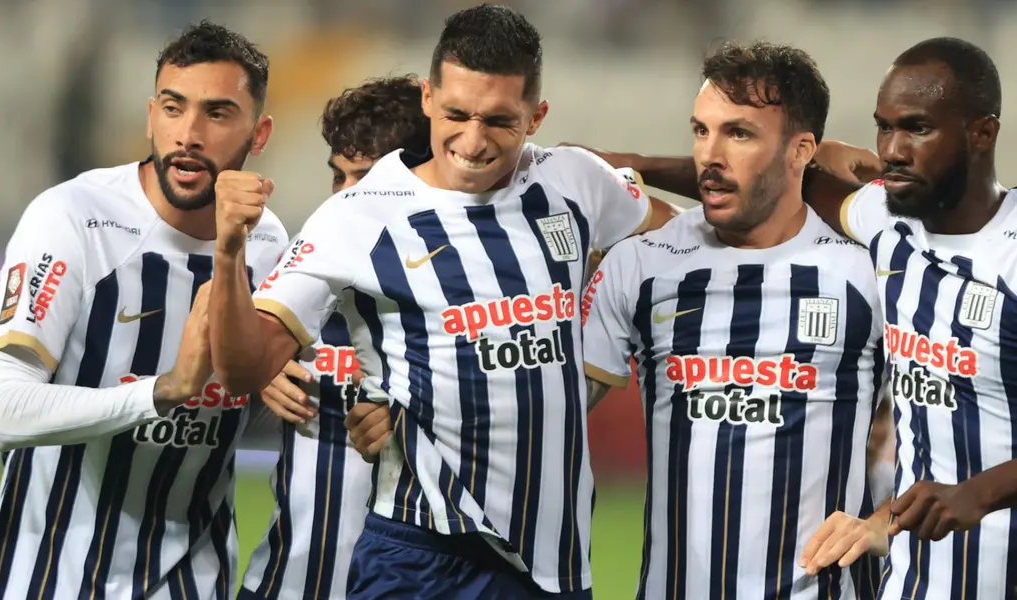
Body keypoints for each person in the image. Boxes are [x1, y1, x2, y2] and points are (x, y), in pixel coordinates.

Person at [588, 36, 1017, 599]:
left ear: (983, 132)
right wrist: (618, 172)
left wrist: (973, 493)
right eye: (884, 128)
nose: (894, 149)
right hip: (913, 585)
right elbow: (760, 178)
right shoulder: (888, 226)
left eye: (917, 128)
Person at [209, 4, 677, 598]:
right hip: (422, 556)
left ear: (537, 116)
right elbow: (243, 368)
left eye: (500, 121)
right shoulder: (359, 216)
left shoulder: (575, 181)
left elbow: (679, 241)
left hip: (555, 564)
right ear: (428, 98)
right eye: (455, 113)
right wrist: (229, 253)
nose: (473, 141)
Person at [0, 21, 290, 600]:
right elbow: (4, 410)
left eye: (217, 114)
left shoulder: (264, 244)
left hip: (191, 578)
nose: (188, 133)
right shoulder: (73, 218)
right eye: (173, 108)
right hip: (44, 576)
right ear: (150, 116)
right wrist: (165, 389)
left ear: (258, 133)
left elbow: (235, 417)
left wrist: (301, 403)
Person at [581, 41, 890, 600]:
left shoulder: (864, 273)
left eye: (739, 134)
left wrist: (885, 523)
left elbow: (952, 432)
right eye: (701, 130)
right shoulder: (641, 264)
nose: (709, 154)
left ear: (801, 152)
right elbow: (549, 412)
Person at [239, 74, 430, 600]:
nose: (343, 200)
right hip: (286, 581)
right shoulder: (304, 275)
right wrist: (262, 368)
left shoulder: (461, 300)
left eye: (363, 182)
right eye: (337, 179)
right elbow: (218, 383)